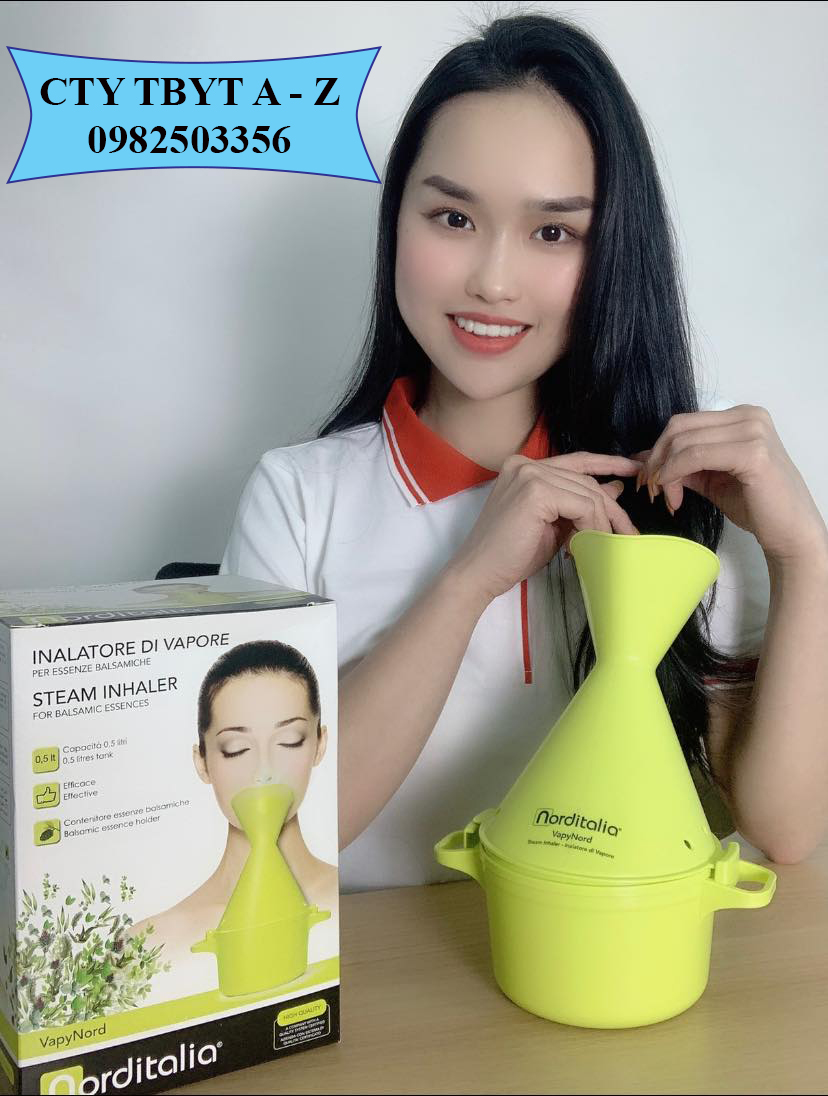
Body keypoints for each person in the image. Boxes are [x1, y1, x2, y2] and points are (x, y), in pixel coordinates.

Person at [220, 12, 827, 890]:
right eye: (453, 216)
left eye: (553, 233)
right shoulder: (298, 498)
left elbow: (787, 830)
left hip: (601, 968)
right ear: (397, 223)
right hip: (380, 976)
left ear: (613, 254)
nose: (493, 281)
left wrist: (803, 554)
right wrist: (469, 579)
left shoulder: (683, 495)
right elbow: (268, 831)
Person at [131, 640, 337, 992]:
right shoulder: (148, 945)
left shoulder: (347, 902)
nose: (264, 772)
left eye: (289, 740)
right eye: (235, 749)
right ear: (202, 762)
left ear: (319, 744)